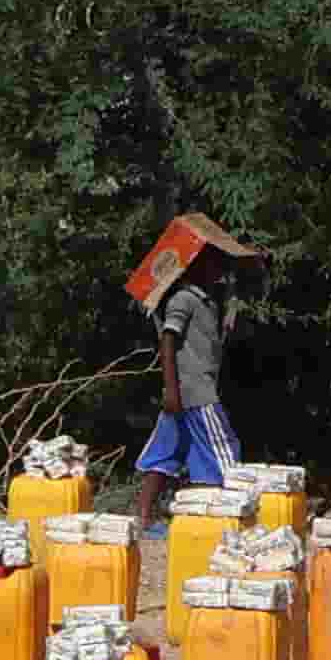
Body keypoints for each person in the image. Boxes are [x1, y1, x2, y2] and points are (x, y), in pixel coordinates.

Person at [127, 225, 264, 536]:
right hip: (194, 391)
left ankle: (145, 518)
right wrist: (172, 390)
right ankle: (224, 519)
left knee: (166, 451)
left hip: (185, 392)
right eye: (214, 261)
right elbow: (167, 339)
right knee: (223, 450)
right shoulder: (184, 299)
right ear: (196, 264)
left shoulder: (206, 299)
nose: (219, 268)